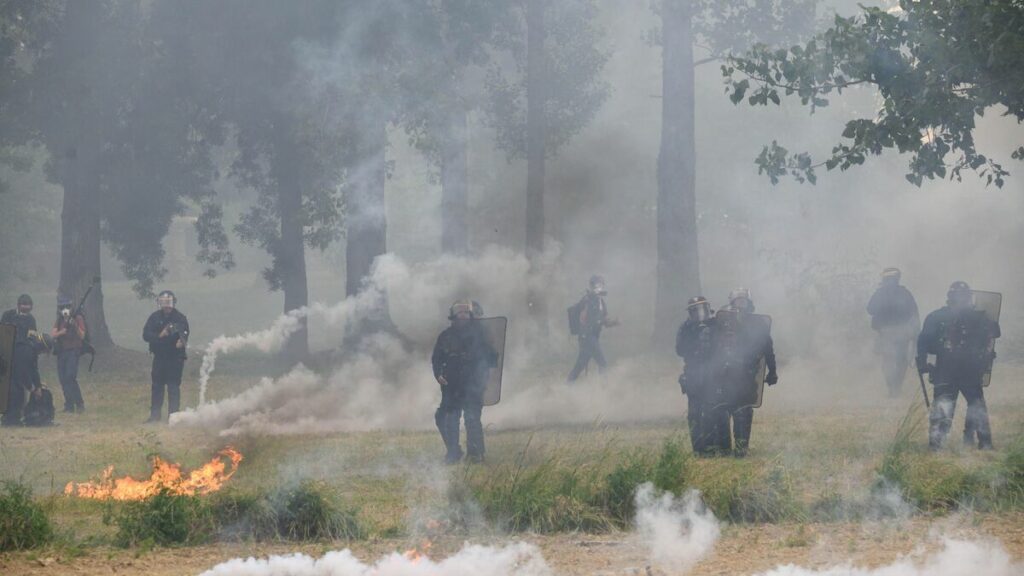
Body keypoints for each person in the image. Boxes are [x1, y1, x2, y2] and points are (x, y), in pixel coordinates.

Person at [916, 281, 1000, 450]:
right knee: (976, 406)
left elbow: (924, 341)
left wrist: (923, 363)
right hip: (969, 370)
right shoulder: (980, 317)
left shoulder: (936, 316)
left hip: (946, 370)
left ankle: (937, 446)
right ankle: (984, 443)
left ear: (949, 298)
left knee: (944, 406)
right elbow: (994, 333)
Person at [708, 288, 778, 457]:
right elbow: (711, 347)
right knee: (721, 410)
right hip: (724, 374)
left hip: (747, 374)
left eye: (743, 301)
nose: (740, 304)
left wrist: (772, 371)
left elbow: (767, 350)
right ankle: (724, 449)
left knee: (743, 412)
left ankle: (741, 449)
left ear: (749, 304)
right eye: (737, 301)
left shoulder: (758, 324)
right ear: (732, 303)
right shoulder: (722, 323)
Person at [431, 300, 497, 464]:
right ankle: (453, 452)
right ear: (453, 316)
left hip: (473, 385)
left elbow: (491, 358)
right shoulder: (445, 336)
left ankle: (476, 455)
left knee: (472, 418)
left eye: (466, 313)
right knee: (445, 418)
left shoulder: (480, 335)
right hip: (451, 386)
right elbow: (436, 359)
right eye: (460, 313)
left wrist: (483, 374)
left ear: (471, 316)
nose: (463, 315)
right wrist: (438, 374)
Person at [866, 268, 919, 396]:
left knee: (889, 360)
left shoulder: (880, 293)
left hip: (888, 332)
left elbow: (870, 309)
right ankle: (895, 386)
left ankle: (892, 387)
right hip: (897, 332)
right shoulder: (904, 293)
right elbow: (914, 312)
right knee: (899, 360)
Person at [676, 296, 716, 455]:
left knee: (712, 411)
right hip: (693, 372)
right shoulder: (686, 328)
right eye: (696, 311)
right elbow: (679, 350)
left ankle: (713, 446)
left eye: (702, 309)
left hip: (713, 372)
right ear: (691, 313)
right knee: (694, 413)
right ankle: (698, 448)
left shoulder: (715, 325)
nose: (700, 314)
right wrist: (692, 334)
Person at [142, 290, 189, 423]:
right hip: (159, 357)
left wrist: (182, 341)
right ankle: (155, 416)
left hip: (175, 358)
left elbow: (184, 333)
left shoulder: (180, 318)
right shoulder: (154, 317)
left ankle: (173, 418)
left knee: (173, 387)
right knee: (157, 386)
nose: (166, 306)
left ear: (174, 302)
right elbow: (145, 335)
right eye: (163, 303)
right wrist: (159, 336)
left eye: (169, 303)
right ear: (159, 303)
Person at [567, 275, 618, 382]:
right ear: (591, 286)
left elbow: (605, 320)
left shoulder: (601, 302)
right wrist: (599, 321)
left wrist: (614, 322)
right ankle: (604, 389)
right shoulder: (587, 300)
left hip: (593, 336)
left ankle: (567, 385)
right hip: (587, 337)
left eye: (601, 285)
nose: (599, 288)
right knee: (602, 362)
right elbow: (586, 319)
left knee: (580, 365)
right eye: (596, 285)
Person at [2, 295, 42, 426]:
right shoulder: (8, 315)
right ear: (18, 305)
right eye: (23, 306)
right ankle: (9, 417)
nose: (25, 309)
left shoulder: (31, 319)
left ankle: (15, 416)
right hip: (6, 354)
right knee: (9, 388)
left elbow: (32, 336)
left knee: (18, 388)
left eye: (28, 307)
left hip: (22, 354)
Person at [52, 294, 86, 413]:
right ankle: (69, 405)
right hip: (62, 352)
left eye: (66, 306)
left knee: (70, 376)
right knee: (63, 378)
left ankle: (79, 403)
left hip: (73, 350)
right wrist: (62, 331)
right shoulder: (59, 320)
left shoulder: (78, 318)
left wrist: (74, 325)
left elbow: (82, 335)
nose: (64, 309)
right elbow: (54, 334)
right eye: (62, 307)